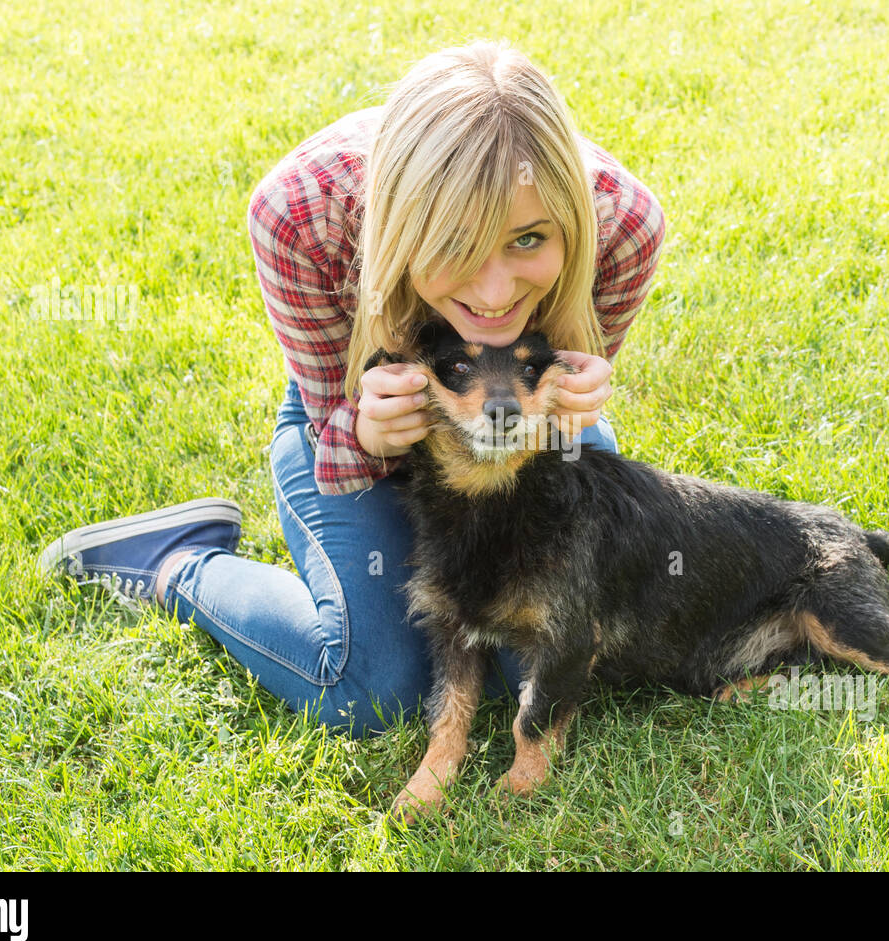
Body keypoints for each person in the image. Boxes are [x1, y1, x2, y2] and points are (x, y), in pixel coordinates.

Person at [38, 40, 666, 738]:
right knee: (373, 690)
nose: (494, 296)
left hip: (513, 431)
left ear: (570, 225)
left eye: (527, 241)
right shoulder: (298, 215)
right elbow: (323, 418)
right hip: (343, 420)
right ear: (399, 229)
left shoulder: (622, 225)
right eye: (455, 244)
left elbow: (555, 424)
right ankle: (178, 563)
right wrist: (367, 432)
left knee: (560, 654)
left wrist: (571, 408)